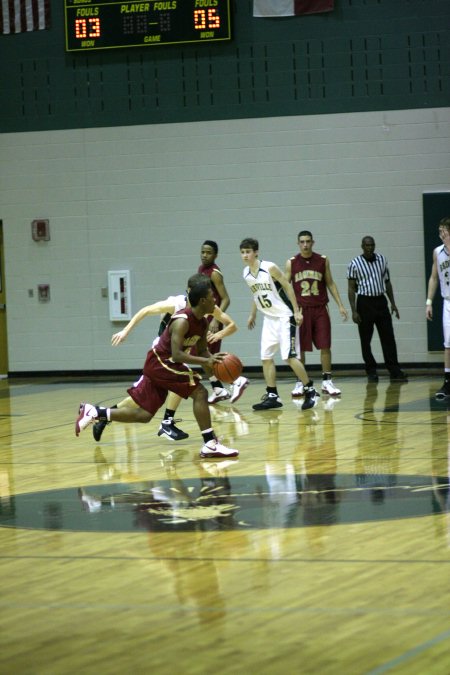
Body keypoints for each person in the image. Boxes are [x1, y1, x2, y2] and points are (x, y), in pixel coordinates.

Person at [75, 279, 239, 459]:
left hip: (165, 364)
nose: (215, 300)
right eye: (211, 297)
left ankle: (95, 412)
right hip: (161, 362)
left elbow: (202, 351)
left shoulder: (203, 323)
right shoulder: (182, 321)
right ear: (202, 301)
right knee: (199, 392)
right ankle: (210, 443)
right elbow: (177, 355)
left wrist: (215, 362)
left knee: (144, 415)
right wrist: (206, 361)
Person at [240, 237, 319, 411]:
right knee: (266, 357)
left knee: (289, 357)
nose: (245, 255)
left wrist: (297, 311)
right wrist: (252, 313)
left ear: (256, 252)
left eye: (248, 252)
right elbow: (257, 294)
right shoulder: (246, 273)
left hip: (284, 316)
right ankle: (272, 395)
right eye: (243, 252)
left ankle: (310, 390)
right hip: (269, 318)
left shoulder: (269, 267)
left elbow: (288, 286)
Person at [285, 230, 348, 398]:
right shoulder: (291, 263)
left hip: (320, 308)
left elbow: (330, 283)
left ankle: (327, 381)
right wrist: (289, 310)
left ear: (313, 242)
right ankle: (301, 382)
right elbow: (286, 287)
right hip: (301, 311)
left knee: (325, 345)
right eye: (302, 242)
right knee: (300, 349)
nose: (305, 244)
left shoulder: (322, 260)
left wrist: (340, 305)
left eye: (308, 241)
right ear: (298, 243)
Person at [347, 236, 408, 383]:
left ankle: (394, 370)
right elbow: (350, 288)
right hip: (364, 302)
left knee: (388, 337)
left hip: (381, 301)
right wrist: (354, 311)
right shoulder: (354, 264)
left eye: (372, 245)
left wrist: (393, 303)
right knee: (365, 339)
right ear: (362, 246)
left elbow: (387, 282)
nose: (370, 248)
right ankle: (371, 371)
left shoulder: (382, 260)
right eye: (367, 245)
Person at [198, 240, 248, 404]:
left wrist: (215, 319)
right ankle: (218, 388)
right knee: (202, 355)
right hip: (204, 320)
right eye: (203, 252)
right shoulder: (201, 270)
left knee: (208, 356)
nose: (205, 255)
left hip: (213, 321)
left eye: (209, 252)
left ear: (215, 255)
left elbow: (226, 299)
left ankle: (236, 381)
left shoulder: (214, 273)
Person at [426, 217, 450, 399]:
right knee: (448, 344)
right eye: (440, 231)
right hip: (447, 302)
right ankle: (447, 382)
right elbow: (434, 278)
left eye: (444, 231)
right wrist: (429, 302)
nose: (441, 234)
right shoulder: (437, 252)